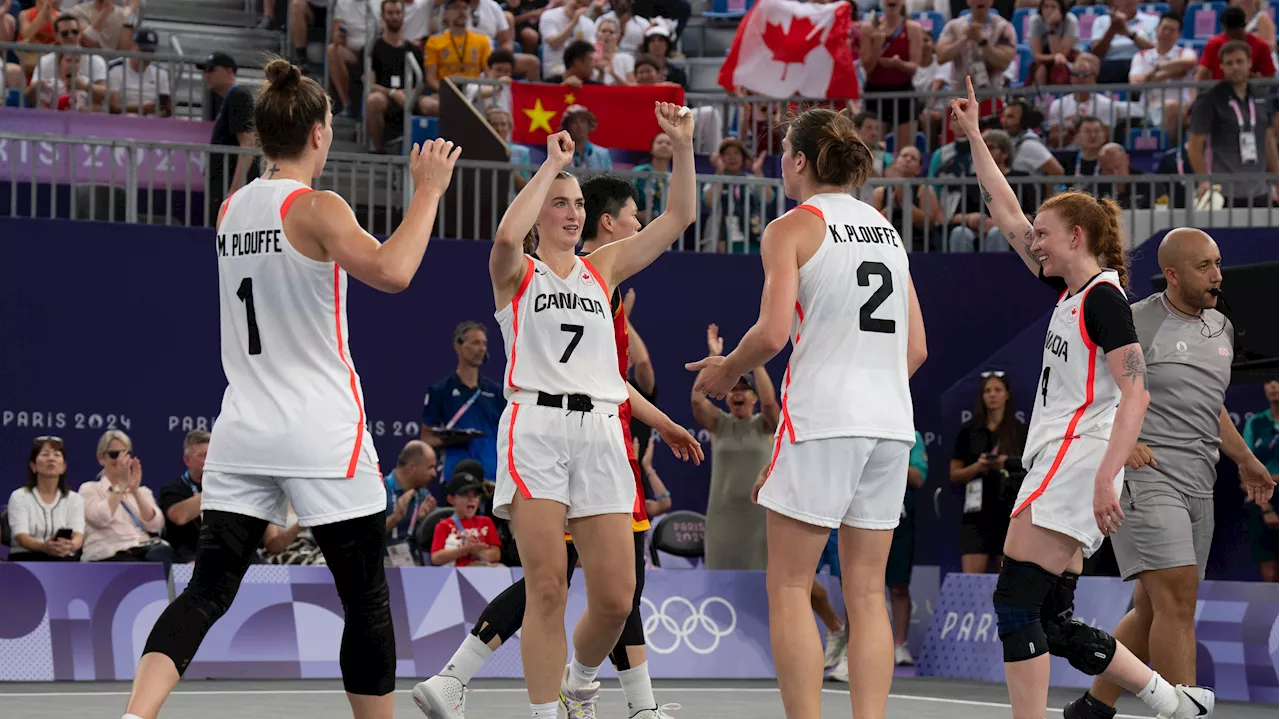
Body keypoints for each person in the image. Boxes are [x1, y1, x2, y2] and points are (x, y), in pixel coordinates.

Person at [120, 58, 461, 719]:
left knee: (206, 590)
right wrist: (429, 192)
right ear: (318, 135)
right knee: (363, 596)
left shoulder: (230, 209)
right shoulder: (318, 207)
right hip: (319, 431)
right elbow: (394, 272)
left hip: (244, 428)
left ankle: (135, 715)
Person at [413, 112, 701, 719]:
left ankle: (579, 680)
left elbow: (679, 218)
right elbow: (503, 239)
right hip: (536, 428)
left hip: (600, 431)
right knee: (547, 587)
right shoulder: (517, 274)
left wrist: (683, 148)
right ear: (542, 209)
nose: (571, 212)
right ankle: (546, 713)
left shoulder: (604, 269)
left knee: (618, 599)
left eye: (576, 204)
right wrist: (549, 167)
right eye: (560, 203)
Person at [950, 75, 1215, 719]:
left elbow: (1137, 395)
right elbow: (1008, 213)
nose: (1033, 240)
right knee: (1054, 619)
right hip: (1068, 460)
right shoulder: (1072, 295)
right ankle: (1176, 703)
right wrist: (975, 139)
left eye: (1045, 232)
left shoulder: (1101, 298)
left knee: (1015, 604)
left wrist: (1105, 477)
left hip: (1074, 461)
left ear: (1077, 236)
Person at [686, 106, 928, 719]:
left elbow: (770, 335)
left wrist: (726, 371)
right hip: (889, 422)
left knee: (789, 585)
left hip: (824, 417)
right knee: (867, 591)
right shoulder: (887, 229)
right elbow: (918, 349)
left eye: (784, 152)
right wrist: (867, 385)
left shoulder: (791, 227)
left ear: (798, 160)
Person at [1065, 229, 1275, 719]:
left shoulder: (1221, 327)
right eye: (1204, 267)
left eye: (1218, 264)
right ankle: (1185, 710)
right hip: (1149, 478)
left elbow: (1211, 405)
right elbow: (1092, 389)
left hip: (1201, 482)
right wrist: (1123, 442)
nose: (1217, 276)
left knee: (1152, 608)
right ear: (1174, 274)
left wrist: (1245, 459)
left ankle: (1094, 707)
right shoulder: (1135, 321)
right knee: (1178, 597)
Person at [693, 325, 779, 572]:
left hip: (758, 519)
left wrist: (755, 360)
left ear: (753, 397)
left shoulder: (766, 425)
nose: (737, 394)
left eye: (744, 389)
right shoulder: (720, 425)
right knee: (720, 584)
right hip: (722, 519)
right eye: (733, 389)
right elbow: (697, 400)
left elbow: (770, 401)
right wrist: (712, 357)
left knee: (757, 585)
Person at [950, 371, 1027, 574]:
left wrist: (1005, 463)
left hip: (1010, 512)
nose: (992, 395)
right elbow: (954, 473)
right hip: (977, 515)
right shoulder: (968, 431)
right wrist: (978, 467)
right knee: (972, 580)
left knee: (1006, 580)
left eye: (997, 390)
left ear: (1007, 395)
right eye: (987, 391)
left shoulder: (1020, 430)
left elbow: (1032, 469)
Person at [420, 321, 506, 484]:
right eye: (475, 343)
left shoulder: (496, 392)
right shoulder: (440, 390)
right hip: (455, 478)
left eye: (484, 344)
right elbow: (426, 438)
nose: (482, 349)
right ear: (458, 346)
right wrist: (454, 439)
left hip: (493, 479)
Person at [7, 436, 84, 562]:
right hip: (26, 559)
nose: (51, 458)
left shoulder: (75, 499)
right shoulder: (19, 496)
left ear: (63, 467)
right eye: (45, 454)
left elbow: (78, 535)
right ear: (33, 466)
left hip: (64, 559)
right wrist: (43, 547)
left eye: (57, 454)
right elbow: (21, 536)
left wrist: (71, 546)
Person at [1243, 378, 1280, 582]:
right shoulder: (1255, 423)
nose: (1273, 386)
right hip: (1261, 500)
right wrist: (1266, 508)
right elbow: (1245, 469)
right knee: (1269, 572)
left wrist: (1272, 477)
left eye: (1278, 381)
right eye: (1269, 382)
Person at [158, 430, 212, 564]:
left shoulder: (228, 487)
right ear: (187, 460)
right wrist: (214, 489)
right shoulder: (172, 489)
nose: (211, 461)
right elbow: (179, 516)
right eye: (204, 455)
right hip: (188, 551)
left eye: (213, 455)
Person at [429, 472, 502, 567]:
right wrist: (465, 550)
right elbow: (436, 558)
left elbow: (496, 555)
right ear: (451, 499)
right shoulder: (444, 525)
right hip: (456, 574)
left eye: (475, 495)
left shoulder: (486, 522)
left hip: (485, 570)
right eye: (465, 495)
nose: (471, 499)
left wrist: (477, 552)